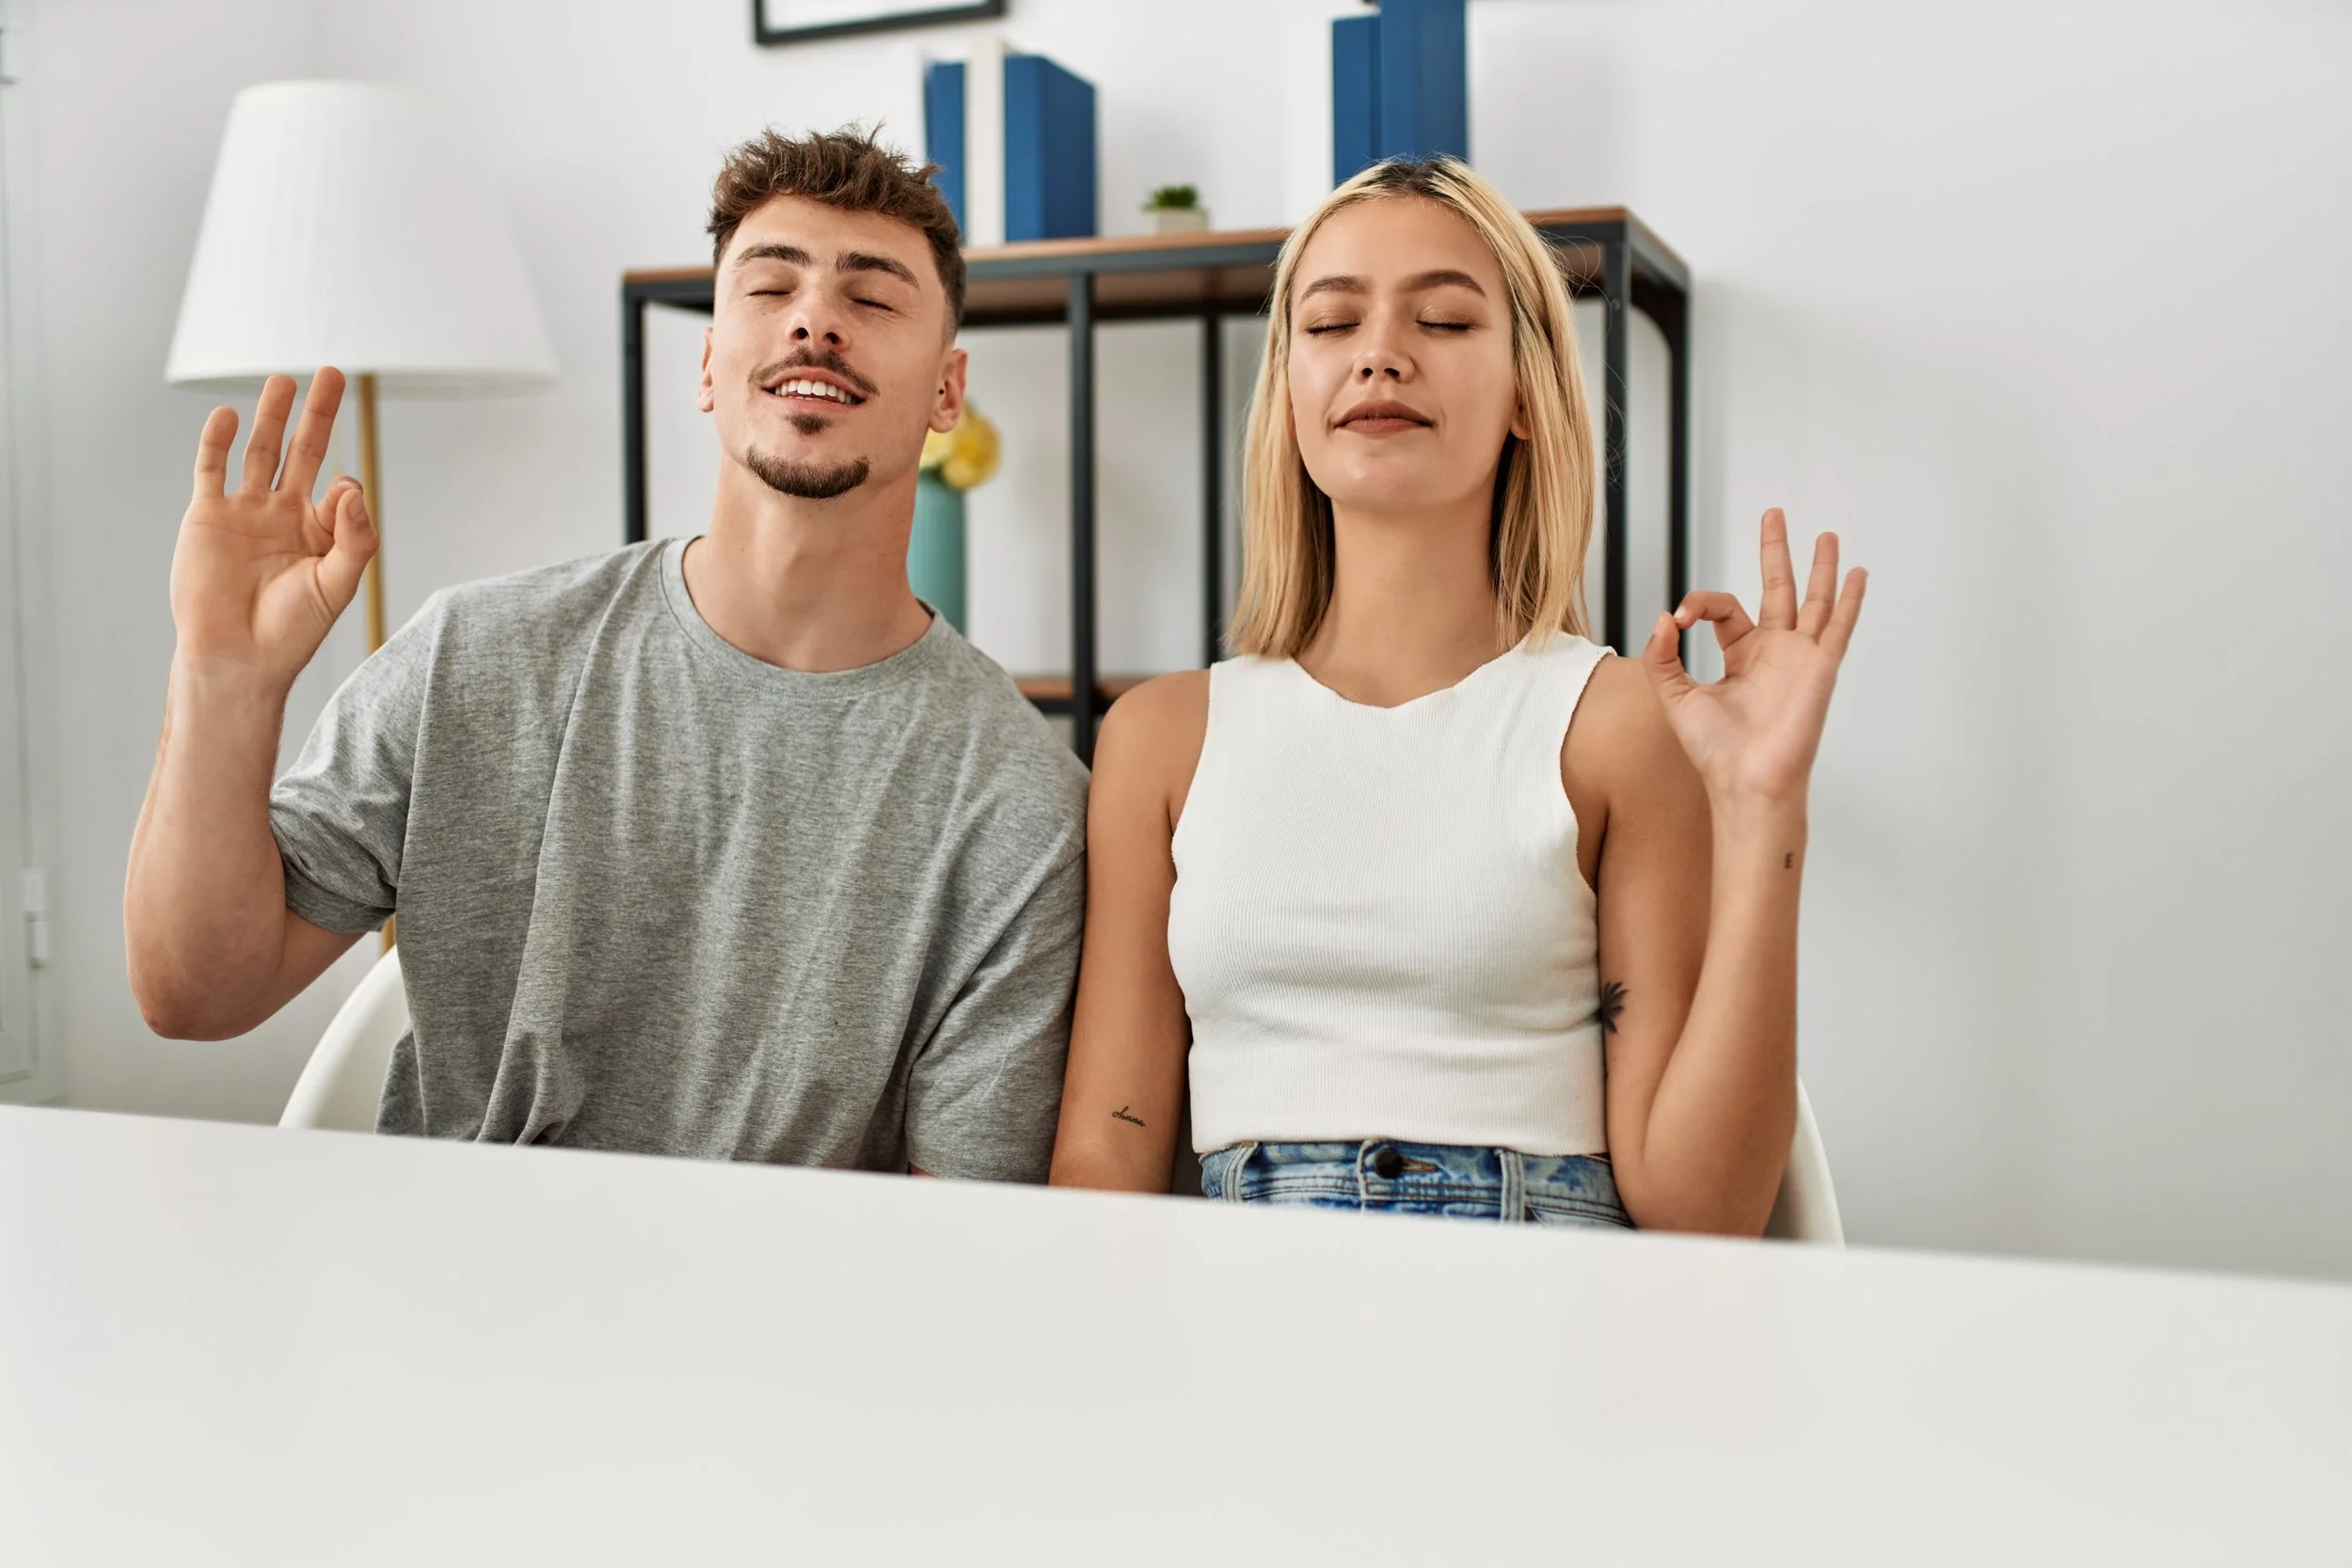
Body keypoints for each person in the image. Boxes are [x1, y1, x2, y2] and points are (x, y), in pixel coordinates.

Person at [125, 128, 1087, 1180]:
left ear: (948, 392)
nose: (815, 319)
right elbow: (192, 994)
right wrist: (225, 680)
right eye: (770, 287)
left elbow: (963, 1229)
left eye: (873, 298)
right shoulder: (477, 659)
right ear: (709, 363)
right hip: (452, 1291)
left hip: (782, 1323)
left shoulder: (1018, 802)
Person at [1048, 157, 1865, 1232]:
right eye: (1331, 324)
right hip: (1245, 1329)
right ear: (1288, 392)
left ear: (1527, 392)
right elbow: (1107, 1149)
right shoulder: (1159, 740)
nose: (1380, 354)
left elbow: (1699, 1214)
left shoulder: (1614, 724)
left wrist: (1764, 809)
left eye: (1441, 319)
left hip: (1541, 1323)